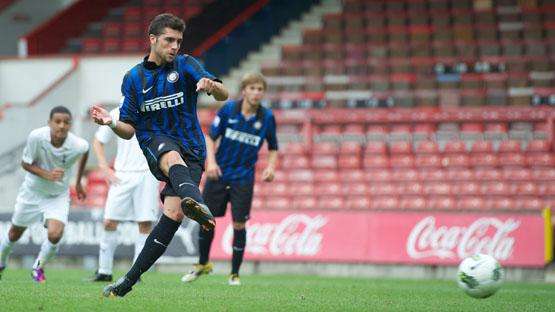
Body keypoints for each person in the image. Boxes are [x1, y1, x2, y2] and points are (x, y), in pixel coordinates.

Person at [90, 13, 228, 297]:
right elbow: (128, 129)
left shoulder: (187, 64)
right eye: (169, 40)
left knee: (173, 215)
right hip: (156, 141)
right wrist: (110, 123)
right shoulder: (134, 78)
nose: (175, 46)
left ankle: (126, 283)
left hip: (193, 147)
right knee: (171, 157)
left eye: (178, 40)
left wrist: (212, 86)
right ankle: (199, 204)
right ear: (153, 39)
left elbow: (223, 94)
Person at [181, 72, 278, 286]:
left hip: (243, 178)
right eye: (252, 88)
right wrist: (212, 163)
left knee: (239, 224)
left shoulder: (267, 117)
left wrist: (271, 168)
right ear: (244, 90)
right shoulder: (228, 110)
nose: (256, 92)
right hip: (220, 173)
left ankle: (234, 274)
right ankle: (202, 263)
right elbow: (210, 138)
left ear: (263, 93)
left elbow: (273, 148)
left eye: (259, 89)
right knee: (206, 220)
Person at [0, 106, 89, 282]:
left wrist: (78, 182)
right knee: (14, 234)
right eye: (57, 122)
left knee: (55, 234)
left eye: (66, 122)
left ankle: (38, 267)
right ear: (49, 123)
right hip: (32, 192)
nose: (62, 126)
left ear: (70, 125)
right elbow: (25, 164)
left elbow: (85, 152)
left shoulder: (78, 144)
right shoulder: (36, 137)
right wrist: (47, 175)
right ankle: (2, 262)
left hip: (57, 195)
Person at [88, 106, 160, 282]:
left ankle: (136, 274)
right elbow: (98, 141)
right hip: (122, 174)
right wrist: (104, 167)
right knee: (109, 221)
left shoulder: (154, 108)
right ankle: (104, 271)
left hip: (147, 175)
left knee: (144, 224)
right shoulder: (117, 112)